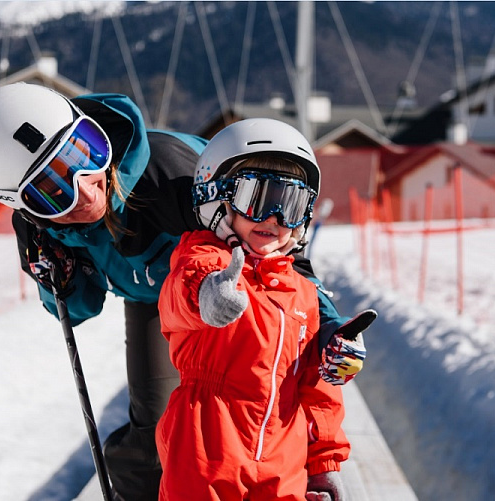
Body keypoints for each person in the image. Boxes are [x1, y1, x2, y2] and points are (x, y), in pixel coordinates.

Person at [0, 83, 373, 500]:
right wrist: (60, 280)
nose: (86, 189)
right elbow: (82, 307)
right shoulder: (39, 232)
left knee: (262, 399)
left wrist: (328, 328)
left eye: (83, 155)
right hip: (160, 297)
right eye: (52, 190)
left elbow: (280, 254)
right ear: (23, 205)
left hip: (231, 286)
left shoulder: (173, 175)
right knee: (154, 429)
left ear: (92, 132)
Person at [155, 118, 375, 500]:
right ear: (219, 199)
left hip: (282, 455)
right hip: (206, 448)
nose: (274, 219)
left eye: (290, 205)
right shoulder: (208, 261)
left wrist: (323, 464)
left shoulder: (303, 293)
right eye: (257, 199)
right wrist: (207, 293)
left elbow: (316, 389)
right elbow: (181, 292)